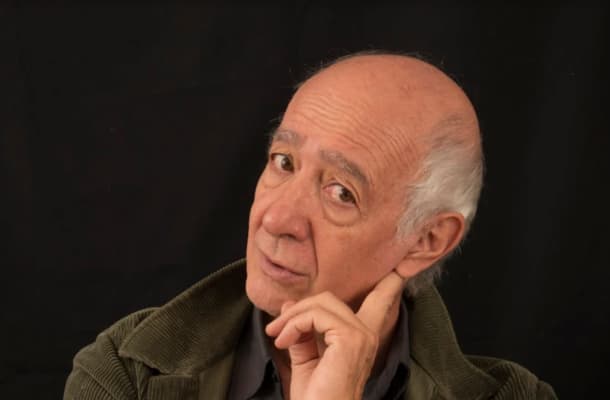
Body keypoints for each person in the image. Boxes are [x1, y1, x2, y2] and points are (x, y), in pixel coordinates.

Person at [64, 53, 556, 399]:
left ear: (426, 240)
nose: (275, 219)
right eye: (283, 162)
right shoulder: (126, 373)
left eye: (341, 192)